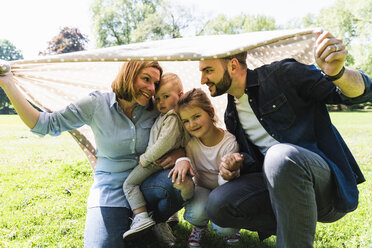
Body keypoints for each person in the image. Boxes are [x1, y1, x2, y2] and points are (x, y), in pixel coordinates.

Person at [197, 30, 372, 247]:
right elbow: (256, 163)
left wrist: (337, 73)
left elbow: (360, 93)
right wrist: (237, 162)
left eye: (208, 70)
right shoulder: (231, 114)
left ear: (233, 66)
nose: (203, 79)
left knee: (279, 156)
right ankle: (294, 227)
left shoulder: (283, 74)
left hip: (324, 188)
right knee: (218, 204)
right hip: (281, 191)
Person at [0, 61, 192, 248]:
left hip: (146, 183)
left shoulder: (157, 106)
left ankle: (157, 220)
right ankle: (134, 221)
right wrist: (6, 82)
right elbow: (45, 123)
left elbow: (185, 129)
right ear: (129, 74)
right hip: (110, 189)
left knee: (175, 184)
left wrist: (181, 153)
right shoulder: (96, 103)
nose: (151, 88)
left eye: (155, 83)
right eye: (146, 79)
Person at [122, 73, 192, 241]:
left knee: (129, 184)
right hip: (159, 161)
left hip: (155, 161)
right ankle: (171, 215)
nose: (160, 102)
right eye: (158, 98)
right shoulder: (166, 115)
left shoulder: (172, 117)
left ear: (180, 95)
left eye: (166, 97)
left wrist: (145, 159)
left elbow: (164, 144)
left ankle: (141, 217)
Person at [169, 88, 241, 247]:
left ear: (210, 112)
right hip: (202, 188)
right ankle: (200, 227)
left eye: (196, 117)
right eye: (186, 121)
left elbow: (229, 179)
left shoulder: (229, 143)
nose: (192, 124)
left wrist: (228, 170)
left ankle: (230, 230)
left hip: (224, 190)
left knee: (225, 228)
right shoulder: (191, 143)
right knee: (196, 212)